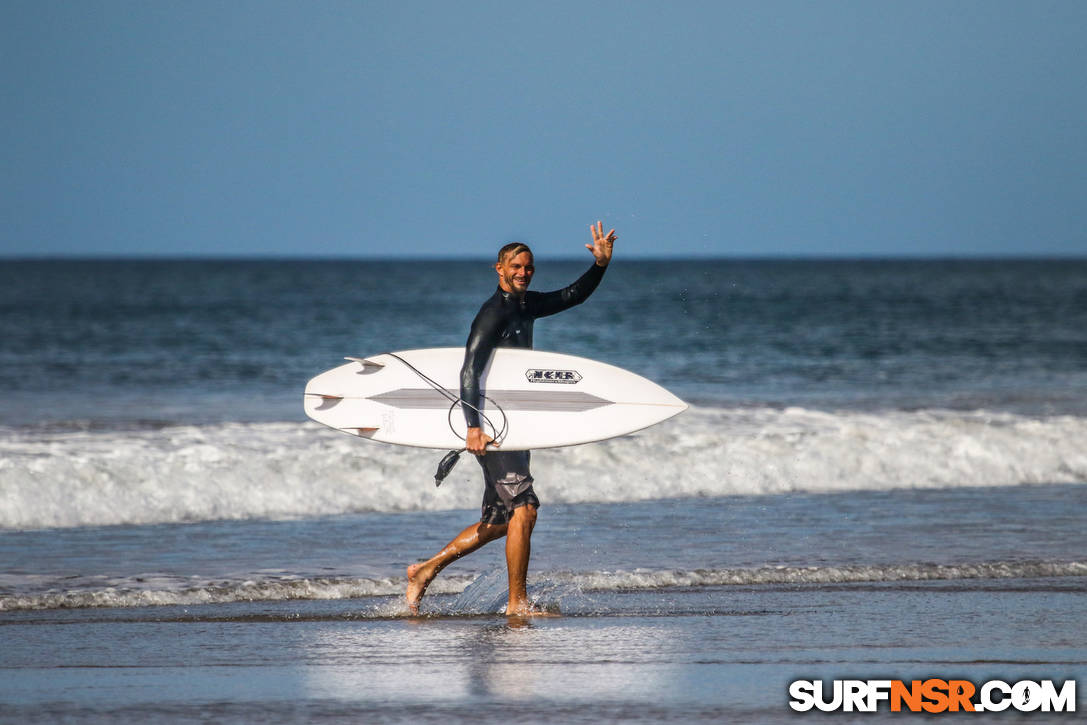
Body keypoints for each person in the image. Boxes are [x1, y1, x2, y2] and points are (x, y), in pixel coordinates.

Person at [406, 221, 616, 616]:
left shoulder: (527, 304)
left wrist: (600, 266)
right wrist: (473, 427)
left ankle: (425, 570)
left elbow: (573, 296)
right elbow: (469, 370)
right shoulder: (493, 313)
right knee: (525, 508)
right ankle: (517, 602)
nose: (523, 273)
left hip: (511, 425)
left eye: (529, 267)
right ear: (499, 269)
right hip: (491, 427)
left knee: (500, 521)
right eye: (515, 267)